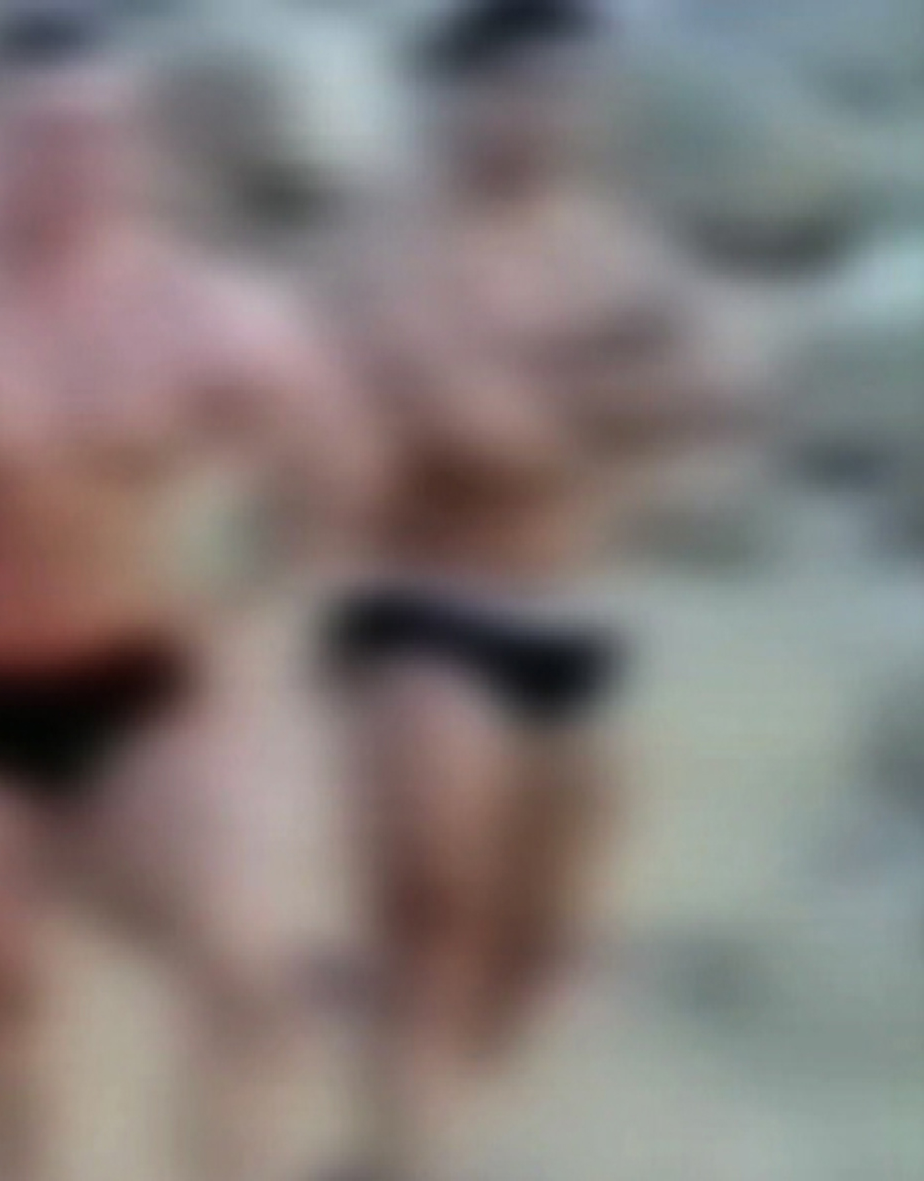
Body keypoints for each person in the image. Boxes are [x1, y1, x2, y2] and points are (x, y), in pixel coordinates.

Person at [0, 11, 379, 1181]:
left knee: (244, 973)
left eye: (105, 135)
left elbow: (337, 470)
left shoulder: (206, 309)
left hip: (137, 684)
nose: (78, 163)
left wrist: (250, 611)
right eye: (42, 135)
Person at [324, 2, 760, 1177]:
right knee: (431, 904)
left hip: (573, 615)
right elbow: (482, 439)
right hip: (424, 602)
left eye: (572, 91)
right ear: (468, 97)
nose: (552, 116)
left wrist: (550, 382)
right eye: (524, 90)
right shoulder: (397, 244)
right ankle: (410, 1143)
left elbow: (726, 385)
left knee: (542, 945)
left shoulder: (617, 239)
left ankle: (396, 1141)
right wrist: (614, 379)